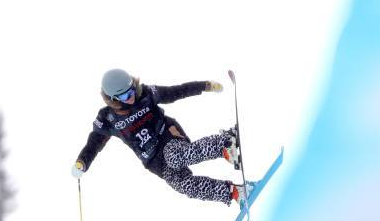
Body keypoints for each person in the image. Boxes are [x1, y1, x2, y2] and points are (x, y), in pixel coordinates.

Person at [71, 69, 251, 206]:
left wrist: (205, 86)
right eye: (125, 96)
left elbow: (176, 92)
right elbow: (94, 143)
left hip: (167, 136)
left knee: (175, 157)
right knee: (184, 185)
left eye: (132, 90)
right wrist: (82, 162)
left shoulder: (146, 94)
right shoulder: (108, 118)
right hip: (153, 160)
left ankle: (225, 144)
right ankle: (234, 192)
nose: (132, 96)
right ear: (113, 99)